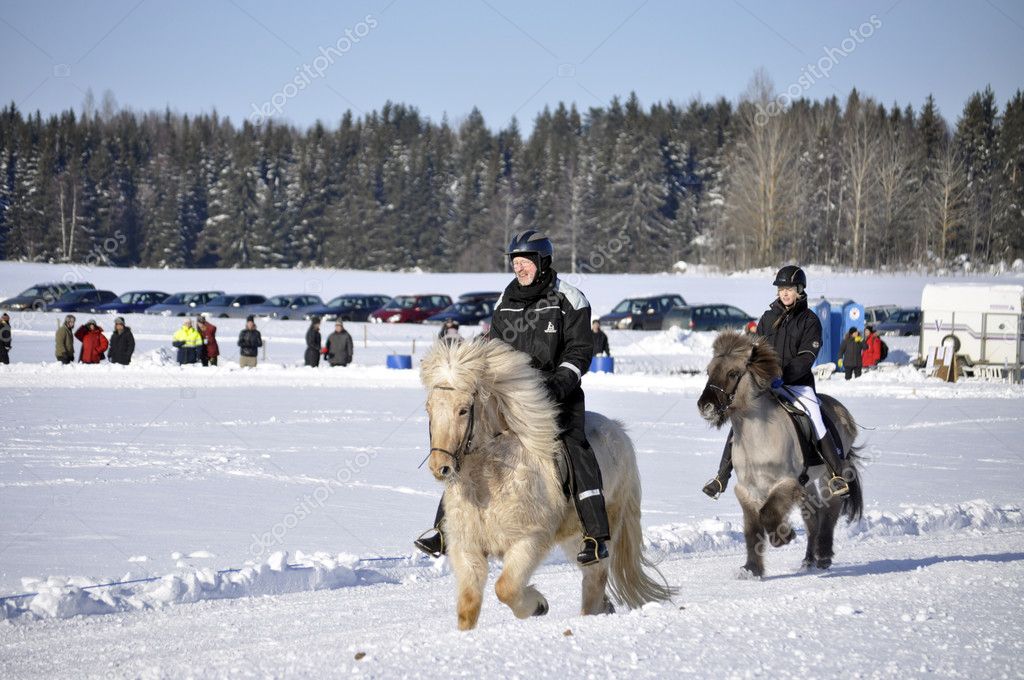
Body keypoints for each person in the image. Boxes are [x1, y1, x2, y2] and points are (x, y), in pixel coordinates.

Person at [415, 230, 611, 566]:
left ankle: (595, 534)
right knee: (469, 440)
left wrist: (561, 380)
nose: (519, 268)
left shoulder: (569, 299)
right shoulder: (505, 301)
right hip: (510, 397)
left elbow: (580, 350)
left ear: (542, 262)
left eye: (525, 262)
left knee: (574, 445)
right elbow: (496, 349)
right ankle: (443, 529)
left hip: (557, 395)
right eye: (515, 262)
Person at [701, 265, 852, 499]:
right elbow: (756, 349)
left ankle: (836, 473)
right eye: (781, 289)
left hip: (798, 385)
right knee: (740, 416)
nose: (785, 293)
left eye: (789, 289)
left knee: (814, 415)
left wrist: (785, 376)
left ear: (800, 290)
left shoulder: (810, 321)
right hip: (767, 384)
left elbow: (807, 357)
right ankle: (722, 477)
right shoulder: (768, 317)